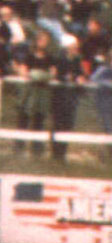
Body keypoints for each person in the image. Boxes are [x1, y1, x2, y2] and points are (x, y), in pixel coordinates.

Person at [15, 30, 56, 157]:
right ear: (37, 41)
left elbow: (53, 72)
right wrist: (33, 75)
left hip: (42, 93)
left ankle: (37, 148)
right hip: (29, 92)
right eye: (42, 40)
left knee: (39, 119)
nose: (44, 43)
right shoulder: (29, 56)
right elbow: (23, 70)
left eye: (46, 40)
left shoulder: (50, 58)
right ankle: (19, 147)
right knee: (23, 117)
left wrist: (43, 76)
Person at [51, 34, 86, 162]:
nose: (76, 48)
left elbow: (80, 74)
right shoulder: (59, 59)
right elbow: (57, 75)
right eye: (73, 46)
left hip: (71, 98)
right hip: (59, 97)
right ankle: (56, 153)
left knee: (68, 125)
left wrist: (79, 78)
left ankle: (63, 153)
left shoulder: (77, 60)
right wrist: (69, 78)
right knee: (58, 124)